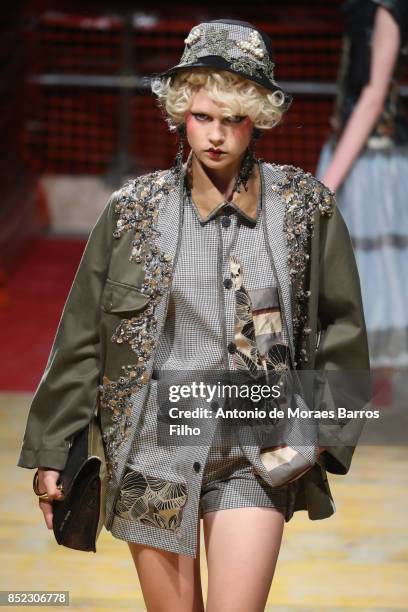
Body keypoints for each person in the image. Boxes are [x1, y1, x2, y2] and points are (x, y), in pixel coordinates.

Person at [18, 19, 370, 612]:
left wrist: (326, 437)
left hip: (261, 445)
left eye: (232, 119)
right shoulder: (135, 211)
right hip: (157, 443)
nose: (215, 135)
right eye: (203, 116)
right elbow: (82, 336)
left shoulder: (304, 208)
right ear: (181, 110)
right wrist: (54, 449)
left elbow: (344, 324)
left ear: (256, 117)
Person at [317, 0, 408, 372]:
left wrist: (325, 186)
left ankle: (381, 392)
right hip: (355, 150)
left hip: (373, 163)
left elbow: (374, 96)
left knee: (375, 274)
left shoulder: (388, 6)